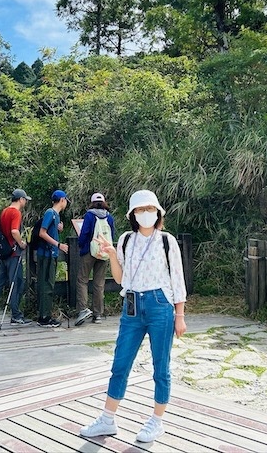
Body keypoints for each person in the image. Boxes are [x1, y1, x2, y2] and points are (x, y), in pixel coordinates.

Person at [79, 189, 187, 443]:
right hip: (132, 305)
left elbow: (178, 278)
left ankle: (157, 421)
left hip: (161, 305)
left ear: (158, 212)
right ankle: (107, 419)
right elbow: (120, 279)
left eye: (149, 209)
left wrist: (180, 314)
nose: (145, 214)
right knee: (120, 363)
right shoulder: (127, 239)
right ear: (132, 214)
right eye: (140, 210)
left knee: (161, 367)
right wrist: (114, 255)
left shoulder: (166, 240)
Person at [0, 188, 32, 325]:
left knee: (0, 282)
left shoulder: (4, 211)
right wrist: (21, 243)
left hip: (3, 252)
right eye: (25, 200)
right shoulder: (16, 213)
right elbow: (14, 231)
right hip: (13, 253)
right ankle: (16, 315)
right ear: (21, 199)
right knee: (15, 283)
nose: (25, 202)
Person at [75, 192, 116, 326]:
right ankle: (98, 314)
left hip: (89, 251)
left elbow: (84, 233)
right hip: (103, 252)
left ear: (92, 202)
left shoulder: (89, 215)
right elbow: (112, 234)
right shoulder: (109, 217)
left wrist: (81, 245)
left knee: (82, 280)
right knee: (99, 283)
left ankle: (83, 309)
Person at [35, 190, 69, 327]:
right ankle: (44, 317)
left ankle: (44, 315)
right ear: (62, 200)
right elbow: (42, 233)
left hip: (51, 254)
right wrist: (58, 245)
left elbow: (49, 230)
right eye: (65, 200)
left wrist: (58, 228)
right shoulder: (50, 213)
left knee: (48, 284)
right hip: (47, 254)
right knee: (47, 285)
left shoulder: (56, 216)